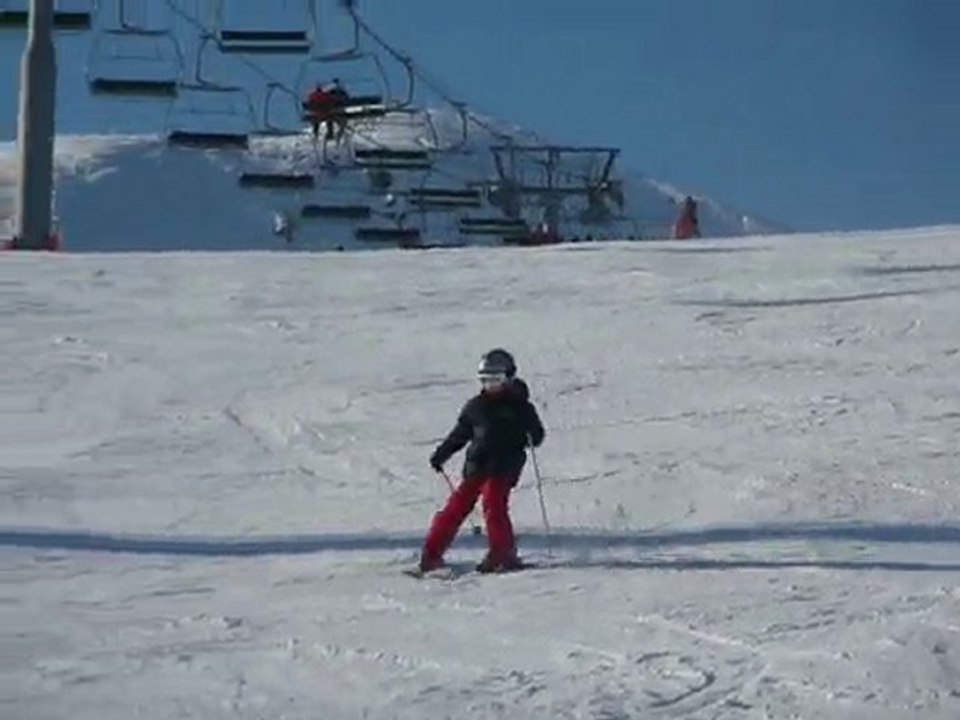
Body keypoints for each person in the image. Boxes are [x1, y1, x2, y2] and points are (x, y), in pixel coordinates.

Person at [420, 348, 546, 574]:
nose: (491, 386)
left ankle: (502, 554)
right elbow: (460, 434)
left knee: (493, 504)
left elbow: (537, 435)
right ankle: (431, 554)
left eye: (496, 380)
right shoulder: (476, 406)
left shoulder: (520, 407)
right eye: (485, 381)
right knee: (456, 507)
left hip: (505, 465)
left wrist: (529, 434)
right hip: (477, 464)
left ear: (508, 378)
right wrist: (442, 454)